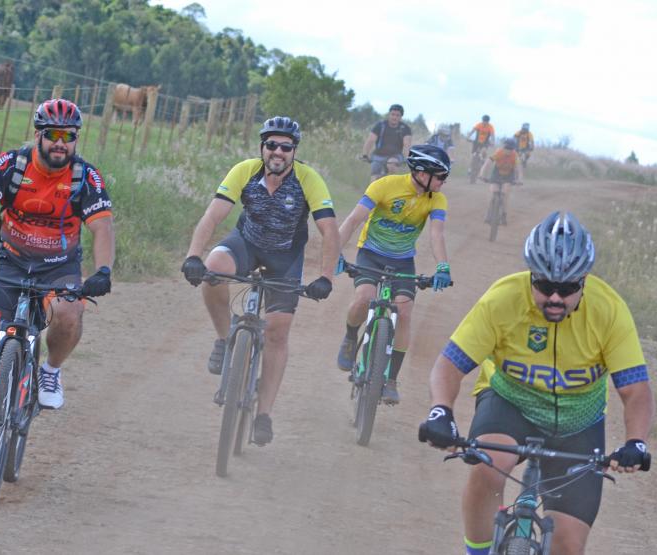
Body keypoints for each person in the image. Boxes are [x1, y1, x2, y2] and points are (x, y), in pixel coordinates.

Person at [420, 211, 654, 555]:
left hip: (578, 420)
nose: (555, 298)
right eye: (545, 286)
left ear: (584, 281)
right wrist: (441, 411)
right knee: (489, 465)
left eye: (568, 288)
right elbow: (450, 365)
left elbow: (636, 390)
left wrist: (637, 442)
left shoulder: (610, 311)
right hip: (510, 402)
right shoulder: (503, 299)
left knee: (569, 545)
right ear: (531, 277)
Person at [0, 99, 116, 463]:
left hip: (59, 267)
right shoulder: (12, 166)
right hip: (12, 262)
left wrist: (103, 271)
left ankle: (51, 371)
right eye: (53, 135)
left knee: (70, 313)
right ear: (38, 135)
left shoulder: (85, 176)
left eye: (68, 137)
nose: (61, 143)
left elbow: (102, 226)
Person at [181, 116, 339, 445]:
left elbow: (329, 230)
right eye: (271, 145)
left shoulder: (308, 179)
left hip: (285, 257)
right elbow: (213, 215)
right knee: (213, 269)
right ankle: (225, 340)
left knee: (278, 333)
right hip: (247, 243)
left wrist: (325, 277)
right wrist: (193, 256)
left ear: (294, 151)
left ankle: (264, 414)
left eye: (286, 146)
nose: (277, 152)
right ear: (262, 148)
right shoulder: (245, 171)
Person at [335, 144, 453, 404]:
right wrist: (335, 253)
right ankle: (350, 337)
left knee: (405, 311)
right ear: (423, 174)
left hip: (402, 261)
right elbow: (354, 220)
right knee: (364, 298)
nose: (444, 182)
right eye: (441, 176)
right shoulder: (384, 185)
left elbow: (436, 233)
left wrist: (442, 266)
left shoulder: (437, 200)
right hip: (372, 254)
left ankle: (390, 378)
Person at [361, 103, 413, 182]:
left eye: (397, 115)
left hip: (395, 155)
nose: (394, 117)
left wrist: (407, 159)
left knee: (392, 164)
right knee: (374, 178)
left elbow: (407, 145)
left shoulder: (405, 129)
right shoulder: (380, 125)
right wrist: (365, 154)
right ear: (389, 114)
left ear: (401, 117)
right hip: (378, 155)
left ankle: (388, 185)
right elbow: (370, 140)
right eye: (393, 114)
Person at [478, 137, 522, 225]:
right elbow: (487, 163)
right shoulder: (499, 152)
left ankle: (504, 215)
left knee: (505, 193)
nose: (508, 151)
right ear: (503, 147)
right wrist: (482, 174)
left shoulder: (515, 156)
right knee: (493, 192)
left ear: (513, 149)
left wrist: (519, 179)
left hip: (509, 175)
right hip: (497, 173)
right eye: (506, 148)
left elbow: (519, 169)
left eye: (510, 149)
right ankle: (489, 213)